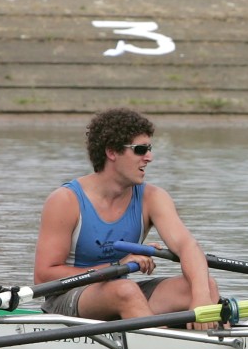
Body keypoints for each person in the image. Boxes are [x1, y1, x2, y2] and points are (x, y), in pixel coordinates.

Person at [33, 108, 220, 330]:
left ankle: (207, 336)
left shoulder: (153, 198)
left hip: (119, 291)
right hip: (67, 299)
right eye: (140, 149)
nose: (149, 157)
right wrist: (117, 265)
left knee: (205, 285)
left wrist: (201, 298)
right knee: (125, 290)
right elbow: (44, 276)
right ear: (112, 152)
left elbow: (187, 245)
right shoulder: (65, 200)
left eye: (149, 149)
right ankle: (169, 346)